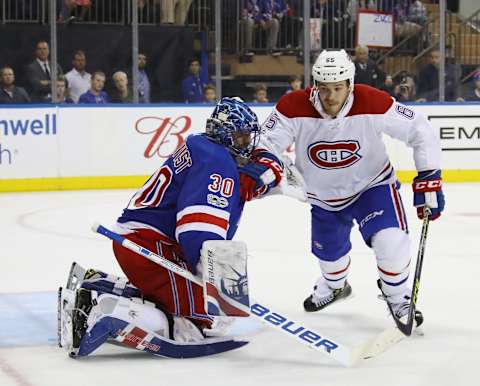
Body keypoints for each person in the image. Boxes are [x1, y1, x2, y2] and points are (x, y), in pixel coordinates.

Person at [58, 97, 283, 357]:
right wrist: (210, 275)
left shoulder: (204, 146)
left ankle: (104, 286)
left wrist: (268, 169)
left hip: (140, 242)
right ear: (225, 135)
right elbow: (197, 228)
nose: (247, 142)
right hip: (147, 246)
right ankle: (102, 315)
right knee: (205, 321)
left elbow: (260, 157)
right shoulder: (216, 162)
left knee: (207, 311)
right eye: (241, 136)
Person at [246, 49, 444, 326]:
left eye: (338, 88)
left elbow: (420, 129)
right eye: (324, 89)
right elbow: (265, 143)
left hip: (372, 187)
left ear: (350, 83)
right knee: (330, 257)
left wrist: (429, 176)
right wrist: (265, 166)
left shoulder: (373, 100)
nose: (331, 97)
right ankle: (335, 285)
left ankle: (398, 298)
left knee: (391, 242)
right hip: (322, 195)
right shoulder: (292, 106)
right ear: (314, 84)